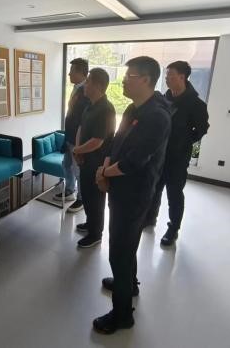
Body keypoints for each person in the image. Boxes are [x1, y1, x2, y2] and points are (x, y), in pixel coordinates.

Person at [93, 56, 171, 334]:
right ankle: (129, 283)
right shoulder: (132, 108)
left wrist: (104, 174)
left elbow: (134, 161)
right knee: (126, 245)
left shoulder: (157, 116)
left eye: (129, 76)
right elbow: (116, 143)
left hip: (134, 194)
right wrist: (104, 168)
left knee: (119, 252)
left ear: (147, 80)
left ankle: (122, 315)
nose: (123, 81)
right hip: (119, 187)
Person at [144, 60, 210, 246]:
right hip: (159, 154)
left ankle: (173, 229)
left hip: (178, 158)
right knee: (154, 188)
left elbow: (202, 129)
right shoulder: (165, 98)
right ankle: (150, 218)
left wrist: (184, 141)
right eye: (166, 75)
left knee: (174, 194)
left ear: (182, 77)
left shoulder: (196, 104)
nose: (166, 78)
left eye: (170, 75)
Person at [73, 68, 115, 248]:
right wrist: (77, 151)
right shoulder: (90, 105)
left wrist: (78, 150)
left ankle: (96, 234)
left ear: (98, 85)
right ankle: (90, 223)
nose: (85, 84)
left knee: (96, 199)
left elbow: (98, 141)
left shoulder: (106, 109)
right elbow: (81, 128)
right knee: (87, 196)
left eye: (88, 81)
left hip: (97, 163)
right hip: (85, 160)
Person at [54, 58, 90, 213]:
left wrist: (78, 144)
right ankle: (70, 190)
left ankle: (81, 199)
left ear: (82, 73)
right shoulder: (77, 88)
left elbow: (83, 120)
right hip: (69, 136)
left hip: (78, 139)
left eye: (72, 71)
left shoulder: (87, 91)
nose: (69, 74)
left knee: (78, 170)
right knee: (66, 164)